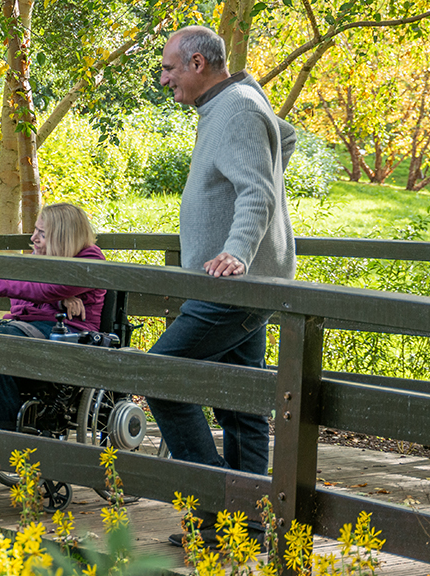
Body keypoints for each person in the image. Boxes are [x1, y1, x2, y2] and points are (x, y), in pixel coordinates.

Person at [152, 25, 298, 546]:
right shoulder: (235, 102)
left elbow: (255, 191)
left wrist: (236, 253)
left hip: (230, 287)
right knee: (242, 407)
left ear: (197, 63)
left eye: (170, 68)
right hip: (236, 286)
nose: (164, 79)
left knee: (160, 376)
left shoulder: (235, 107)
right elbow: (284, 136)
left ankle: (216, 505)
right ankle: (247, 523)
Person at [0, 203, 105, 432]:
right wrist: (58, 300)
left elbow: (44, 290)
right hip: (25, 325)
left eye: (42, 234)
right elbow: (19, 300)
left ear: (62, 237)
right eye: (35, 230)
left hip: (68, 334)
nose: (33, 238)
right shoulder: (42, 254)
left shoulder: (90, 258)